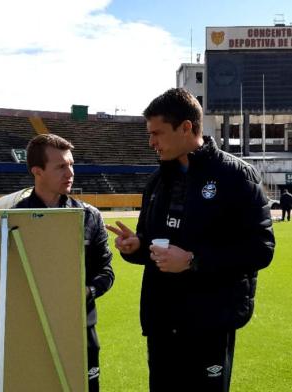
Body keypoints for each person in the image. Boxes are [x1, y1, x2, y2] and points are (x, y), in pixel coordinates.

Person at [107, 88, 275, 392]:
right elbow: (154, 244)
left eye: (157, 133)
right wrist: (137, 247)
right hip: (162, 320)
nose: (151, 142)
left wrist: (193, 261)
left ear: (186, 128)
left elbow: (260, 250)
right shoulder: (156, 182)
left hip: (210, 321)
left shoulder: (236, 176)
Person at [14, 133, 114, 391]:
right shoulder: (13, 220)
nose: (70, 172)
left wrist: (88, 291)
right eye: (61, 166)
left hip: (81, 329)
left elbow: (106, 270)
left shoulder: (89, 216)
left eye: (71, 164)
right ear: (38, 171)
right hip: (29, 330)